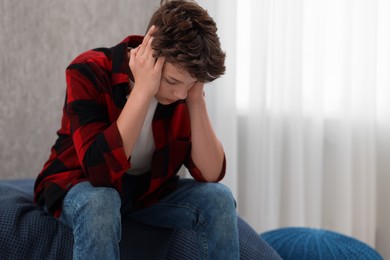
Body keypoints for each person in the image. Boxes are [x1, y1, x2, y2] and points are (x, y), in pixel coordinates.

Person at [34, 0, 238, 259]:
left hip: (144, 193)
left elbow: (210, 173)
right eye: (172, 81)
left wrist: (196, 98)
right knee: (101, 201)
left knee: (219, 198)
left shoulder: (185, 93)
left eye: (189, 84)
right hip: (79, 182)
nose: (179, 94)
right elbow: (100, 174)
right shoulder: (88, 70)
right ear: (149, 52)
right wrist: (143, 90)